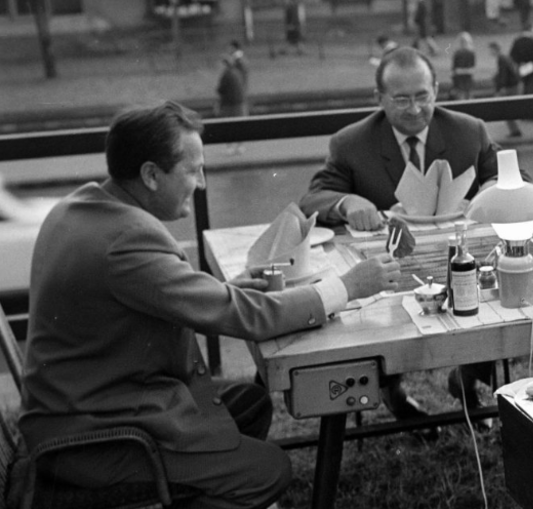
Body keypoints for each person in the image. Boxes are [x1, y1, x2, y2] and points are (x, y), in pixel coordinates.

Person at [19, 101, 402, 509]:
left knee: (250, 406)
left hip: (87, 407)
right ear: (150, 175)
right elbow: (240, 316)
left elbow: (149, 295)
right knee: (268, 472)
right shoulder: (126, 241)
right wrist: (345, 287)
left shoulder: (85, 206)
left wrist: (223, 288)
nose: (201, 183)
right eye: (192, 170)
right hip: (95, 439)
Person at [299, 47, 520, 416]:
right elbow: (313, 198)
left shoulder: (469, 130)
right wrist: (347, 203)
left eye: (422, 96)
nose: (415, 109)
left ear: (436, 89)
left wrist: (493, 187)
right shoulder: (351, 142)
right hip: (391, 270)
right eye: (401, 99)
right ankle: (393, 394)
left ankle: (467, 379)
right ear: (379, 99)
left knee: (492, 289)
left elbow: (514, 176)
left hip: (461, 259)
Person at [489, 41, 524, 138]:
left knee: (507, 109)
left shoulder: (501, 59)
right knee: (509, 109)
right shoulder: (505, 57)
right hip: (514, 85)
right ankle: (515, 129)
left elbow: (503, 74)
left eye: (491, 50)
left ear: (495, 49)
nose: (490, 53)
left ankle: (515, 130)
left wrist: (500, 88)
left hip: (510, 87)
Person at [215, 40, 248, 118]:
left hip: (233, 105)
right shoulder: (237, 67)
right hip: (240, 100)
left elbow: (221, 90)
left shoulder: (235, 66)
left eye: (230, 48)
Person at [450, 32, 477, 101]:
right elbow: (454, 69)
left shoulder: (470, 53)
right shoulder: (457, 54)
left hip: (467, 81)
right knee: (460, 97)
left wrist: (461, 71)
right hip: (459, 81)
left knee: (468, 96)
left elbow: (472, 69)